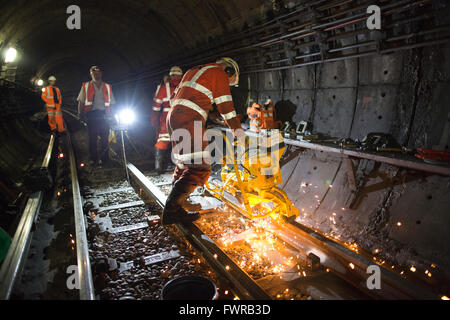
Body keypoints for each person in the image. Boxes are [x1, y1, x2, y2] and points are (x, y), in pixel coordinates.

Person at [162, 57, 244, 225]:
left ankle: (179, 202)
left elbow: (189, 98)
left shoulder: (193, 71)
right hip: (188, 119)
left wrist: (209, 117)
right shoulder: (219, 72)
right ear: (229, 71)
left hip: (174, 117)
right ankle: (171, 211)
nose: (226, 83)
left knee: (184, 164)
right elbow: (226, 106)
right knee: (200, 166)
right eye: (229, 81)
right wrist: (238, 131)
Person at [77, 66, 116, 167]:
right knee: (92, 138)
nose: (96, 74)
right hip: (92, 115)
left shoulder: (107, 87)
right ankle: (93, 159)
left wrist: (113, 115)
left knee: (104, 137)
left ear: (101, 74)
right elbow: (81, 101)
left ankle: (105, 159)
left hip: (104, 115)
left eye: (98, 73)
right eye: (94, 73)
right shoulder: (86, 86)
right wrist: (80, 115)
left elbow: (112, 103)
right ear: (91, 74)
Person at [150, 67, 183, 173]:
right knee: (180, 141)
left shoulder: (163, 88)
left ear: (170, 76)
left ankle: (158, 166)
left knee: (163, 141)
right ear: (181, 76)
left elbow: (156, 106)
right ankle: (179, 165)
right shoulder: (185, 87)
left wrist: (154, 120)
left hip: (166, 119)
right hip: (181, 118)